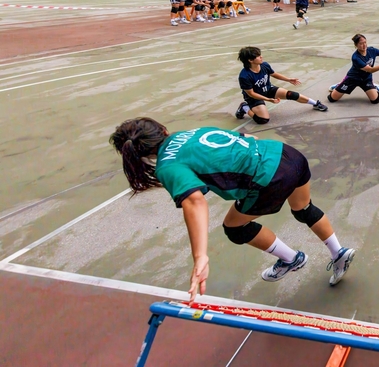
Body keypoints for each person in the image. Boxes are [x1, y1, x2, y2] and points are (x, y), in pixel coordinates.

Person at [109, 118, 355, 303]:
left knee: (235, 228)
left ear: (136, 155)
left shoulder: (167, 165)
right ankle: (339, 252)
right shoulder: (191, 132)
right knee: (303, 208)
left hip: (269, 177)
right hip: (286, 154)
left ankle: (292, 259)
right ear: (162, 129)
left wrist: (200, 256)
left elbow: (194, 201)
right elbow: (249, 137)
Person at [235, 46, 328, 124]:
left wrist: (288, 79)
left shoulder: (264, 65)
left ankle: (315, 104)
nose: (261, 57)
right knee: (263, 120)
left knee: (291, 94)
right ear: (250, 60)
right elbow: (251, 94)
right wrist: (268, 99)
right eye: (258, 56)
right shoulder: (244, 76)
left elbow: (274, 74)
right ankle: (245, 107)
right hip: (254, 97)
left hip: (268, 89)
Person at [327, 34, 379, 104]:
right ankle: (339, 85)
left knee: (375, 100)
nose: (364, 45)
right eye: (361, 43)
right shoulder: (356, 57)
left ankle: (373, 86)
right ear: (356, 45)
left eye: (365, 42)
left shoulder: (372, 50)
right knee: (332, 99)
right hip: (353, 78)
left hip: (366, 78)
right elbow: (371, 70)